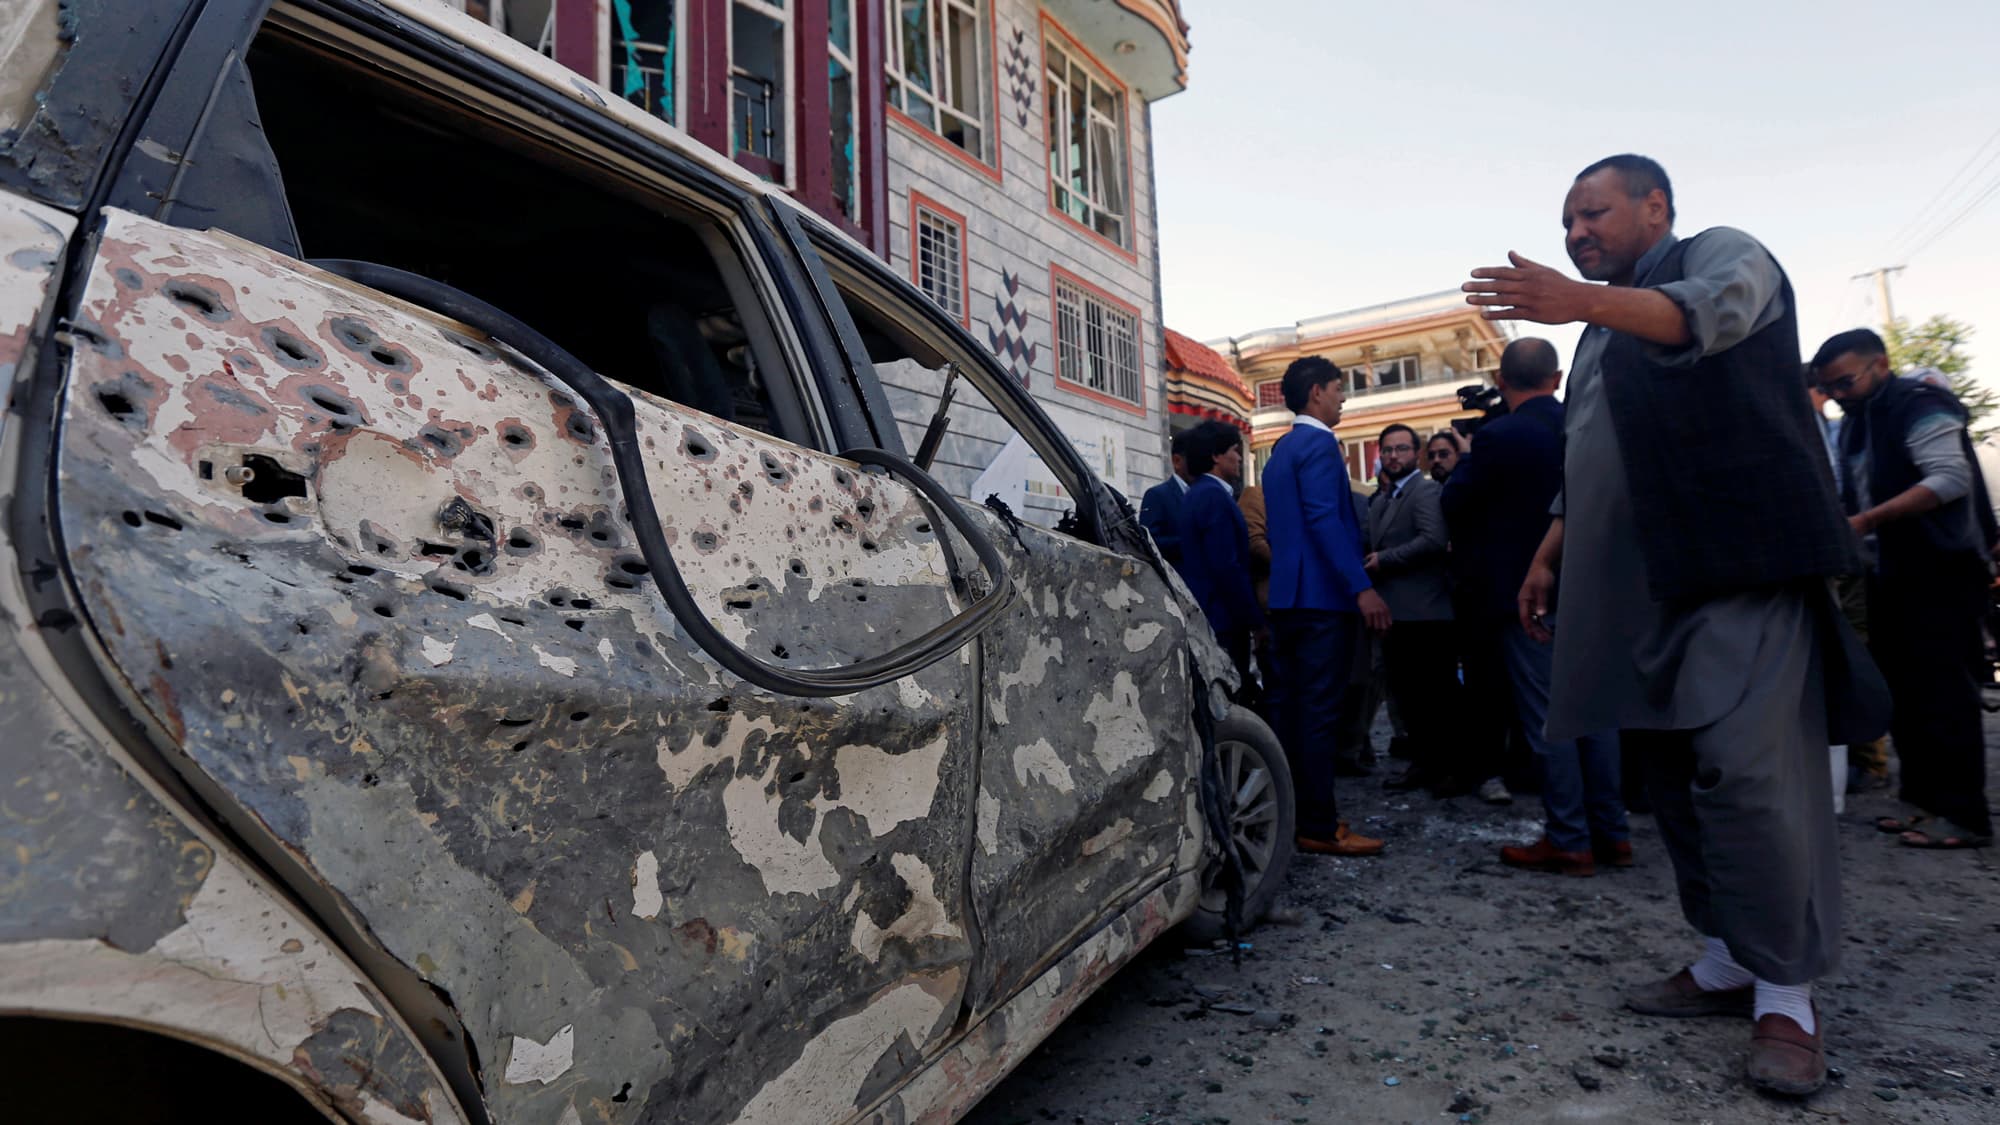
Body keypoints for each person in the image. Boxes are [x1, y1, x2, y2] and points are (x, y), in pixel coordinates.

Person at [1463, 153, 1883, 1097]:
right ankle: (1727, 958)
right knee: (1676, 781)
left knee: (1751, 773)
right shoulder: (1598, 330)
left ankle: (1787, 993)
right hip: (1632, 590)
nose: (1577, 234)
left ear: (1656, 206)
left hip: (1736, 564)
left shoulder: (1726, 255)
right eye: (1568, 221)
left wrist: (1576, 299)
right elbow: (1591, 447)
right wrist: (1549, 551)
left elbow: (1705, 318)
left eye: (1593, 213)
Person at [1442, 337, 1629, 874]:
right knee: (1599, 713)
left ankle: (1569, 836)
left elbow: (1457, 502)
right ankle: (1611, 833)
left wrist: (1467, 461)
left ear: (1501, 381)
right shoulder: (1586, 424)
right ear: (1556, 376)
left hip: (1528, 592)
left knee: (1552, 718)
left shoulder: (1499, 436)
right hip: (1593, 586)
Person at [1811, 328, 1994, 849]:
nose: (1839, 394)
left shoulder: (1919, 404)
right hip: (1889, 574)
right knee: (1905, 697)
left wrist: (1866, 521)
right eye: (1832, 387)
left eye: (1846, 381)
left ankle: (1964, 816)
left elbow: (1948, 480)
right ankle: (1923, 806)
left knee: (1946, 696)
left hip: (1941, 570)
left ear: (1881, 365)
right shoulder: (1856, 421)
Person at [1261, 356, 1389, 857]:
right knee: (1319, 716)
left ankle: (1300, 815)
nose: (1343, 398)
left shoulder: (1281, 449)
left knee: (1294, 713)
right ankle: (1318, 823)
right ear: (1317, 392)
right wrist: (1361, 587)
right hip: (1321, 600)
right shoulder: (1318, 443)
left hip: (1289, 598)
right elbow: (1324, 521)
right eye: (1339, 389)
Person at [1368, 424, 1466, 796]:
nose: (1394, 456)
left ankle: (1450, 769)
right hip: (1395, 616)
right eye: (1388, 450)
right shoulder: (1381, 499)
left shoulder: (1425, 491)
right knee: (1409, 701)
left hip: (1428, 614)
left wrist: (1384, 560)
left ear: (1416, 454)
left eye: (1402, 449)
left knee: (1437, 699)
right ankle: (1423, 765)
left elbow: (1433, 540)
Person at [1176, 420, 1263, 696]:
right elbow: (1227, 566)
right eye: (1235, 450)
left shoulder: (1196, 494)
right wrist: (1256, 621)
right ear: (1216, 455)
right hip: (1223, 621)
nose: (1239, 458)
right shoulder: (1214, 498)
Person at [1139, 430, 1194, 563]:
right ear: (1177, 461)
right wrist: (1191, 542)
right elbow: (1149, 542)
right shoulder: (1158, 495)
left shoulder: (1206, 496)